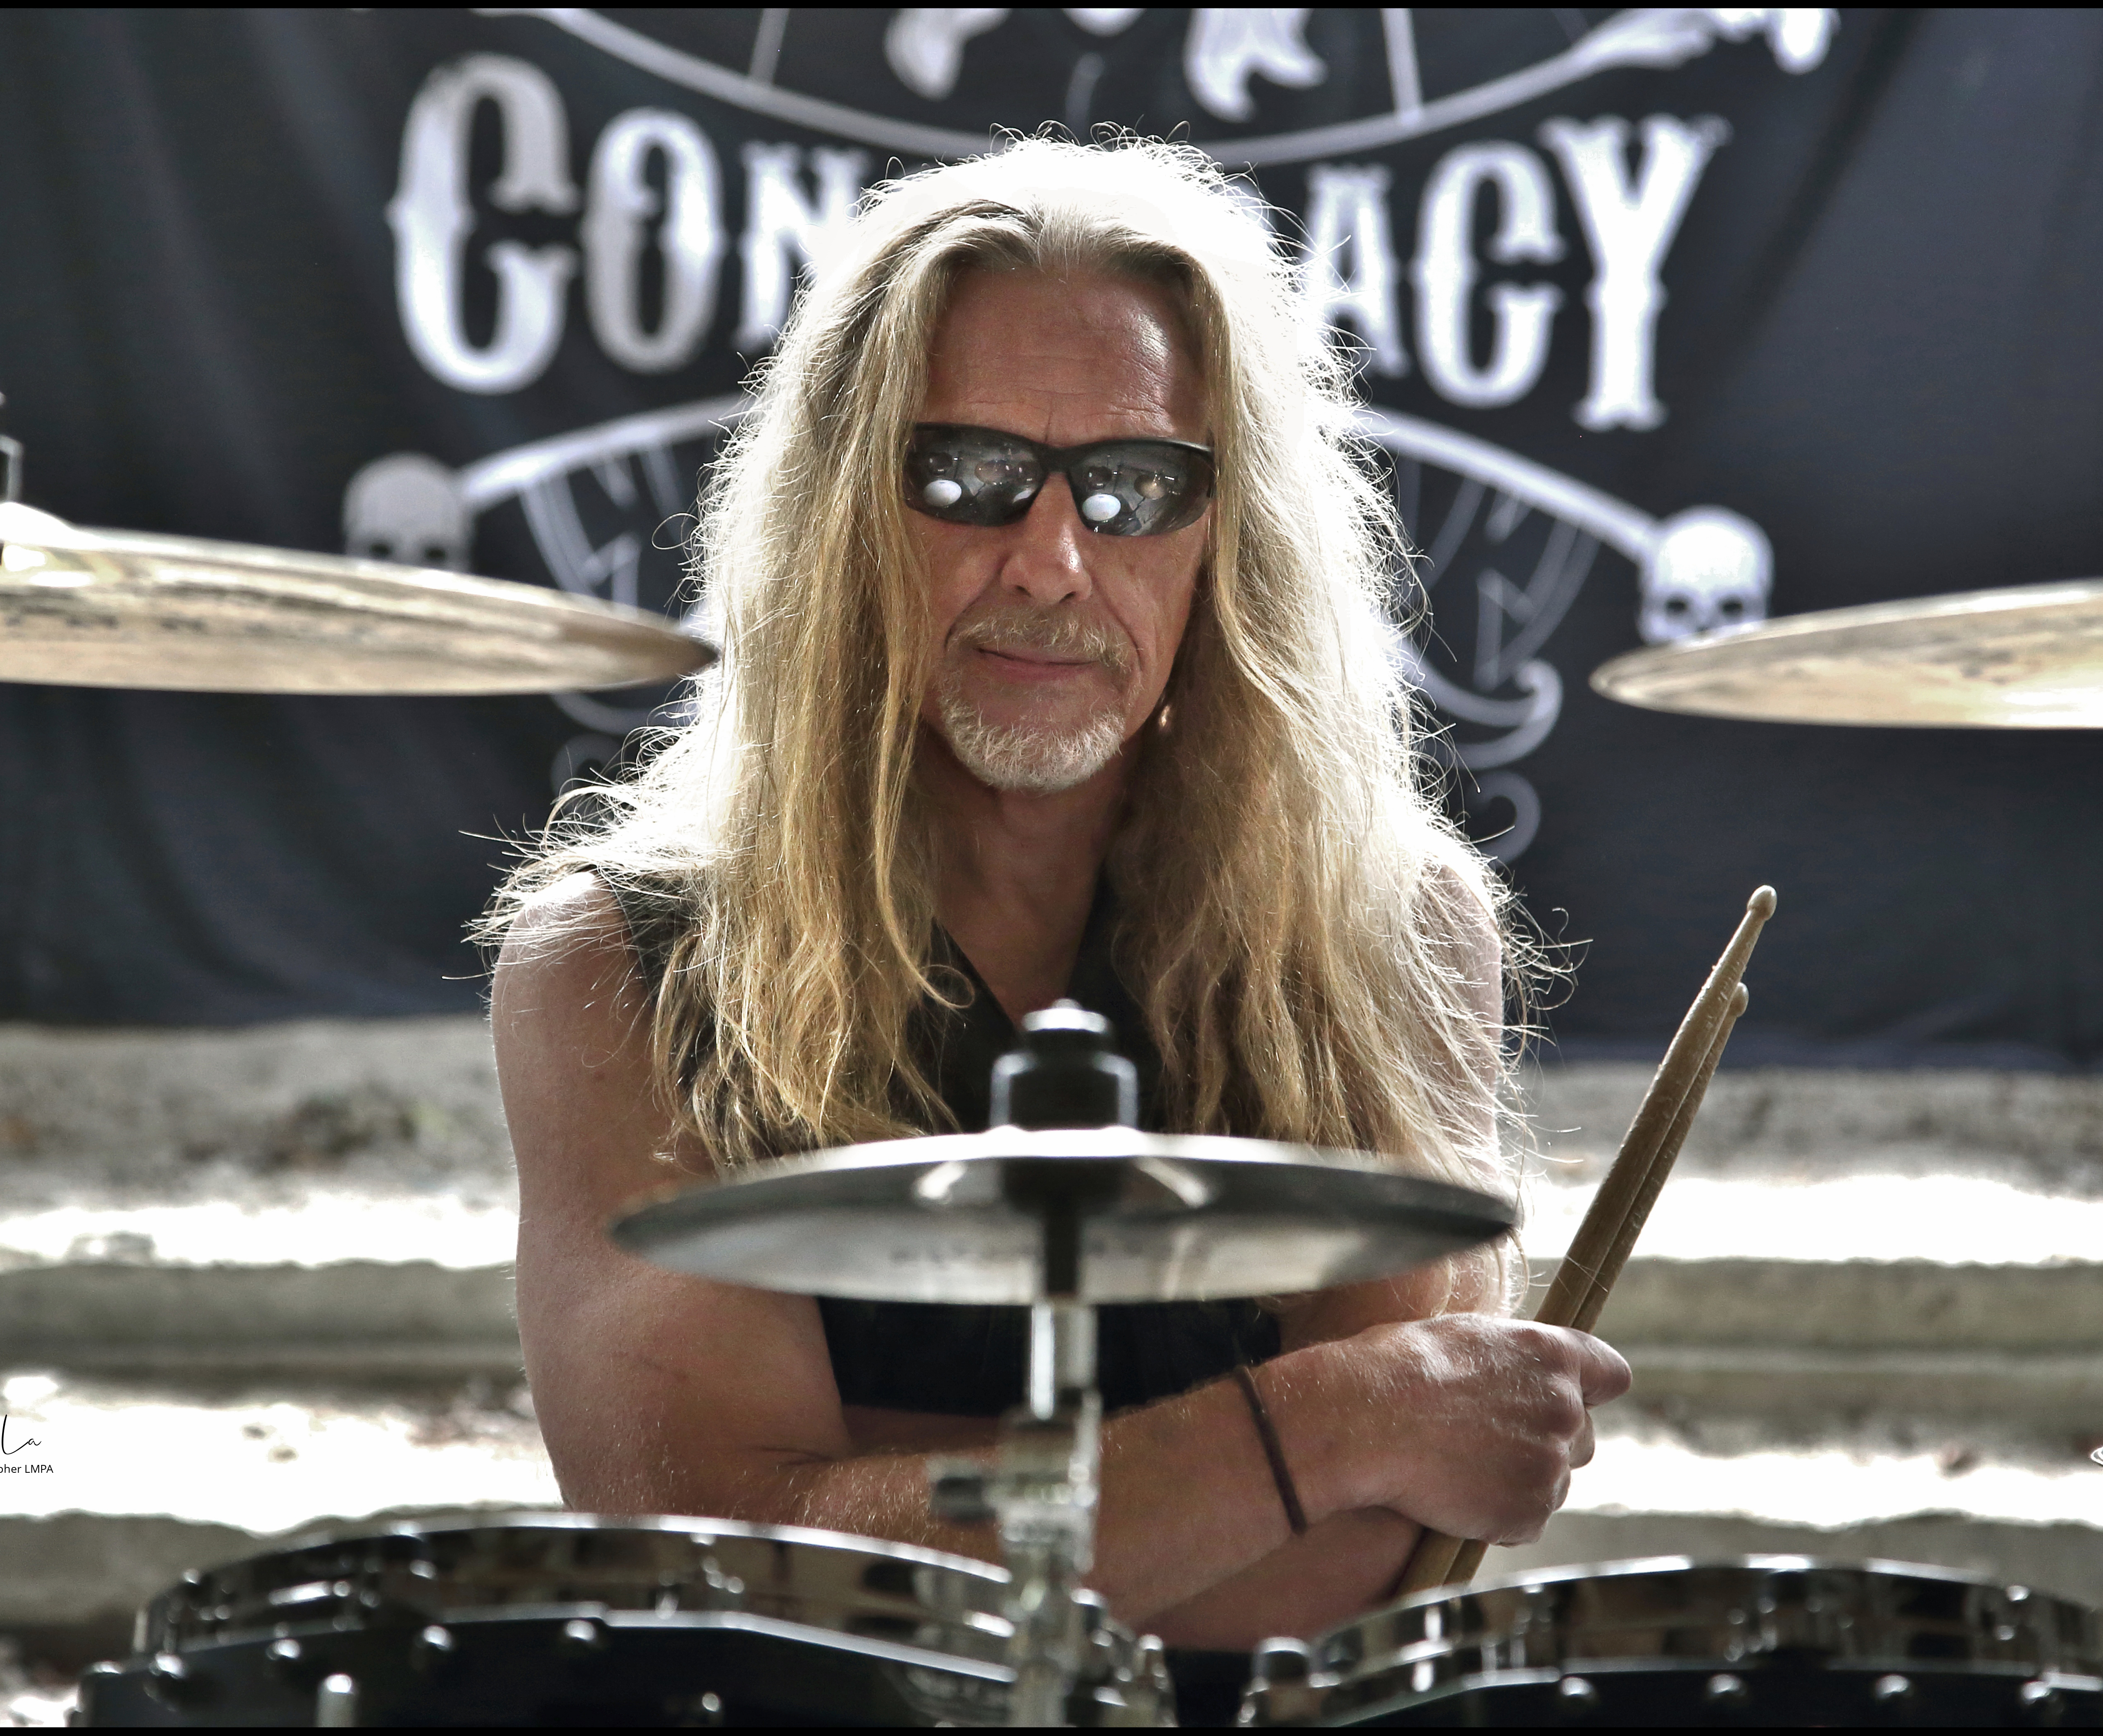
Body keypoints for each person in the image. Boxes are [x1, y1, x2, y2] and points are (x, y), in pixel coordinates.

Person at [484, 134, 1629, 1707]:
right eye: (965, 475)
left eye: (1135, 486)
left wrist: (900, 1496)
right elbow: (722, 1577)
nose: (1053, 556)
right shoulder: (619, 964)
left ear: (1228, 538)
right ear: (841, 512)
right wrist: (1337, 1419)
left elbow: (1375, 1578)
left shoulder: (1395, 933)